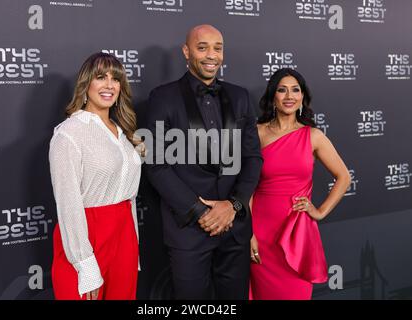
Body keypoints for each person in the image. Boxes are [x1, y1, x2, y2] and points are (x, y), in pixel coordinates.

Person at [145, 24, 262, 299]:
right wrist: (201, 212)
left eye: (217, 48)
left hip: (235, 229)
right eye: (202, 47)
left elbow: (253, 158)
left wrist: (232, 206)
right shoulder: (163, 97)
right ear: (186, 52)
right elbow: (157, 165)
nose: (212, 55)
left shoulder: (240, 96)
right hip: (188, 229)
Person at [249, 68, 351, 300]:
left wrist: (319, 211)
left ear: (303, 97)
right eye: (282, 90)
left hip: (297, 235)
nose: (289, 96)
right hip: (261, 234)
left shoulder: (313, 136)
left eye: (296, 90)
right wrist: (248, 234)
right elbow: (247, 186)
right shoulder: (257, 133)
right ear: (272, 96)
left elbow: (344, 177)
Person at [49, 52, 143, 300]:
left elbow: (129, 198)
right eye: (101, 77)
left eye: (116, 78)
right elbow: (69, 203)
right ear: (86, 83)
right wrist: (85, 264)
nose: (109, 85)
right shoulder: (68, 134)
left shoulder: (124, 133)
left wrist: (132, 247)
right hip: (86, 236)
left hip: (124, 237)